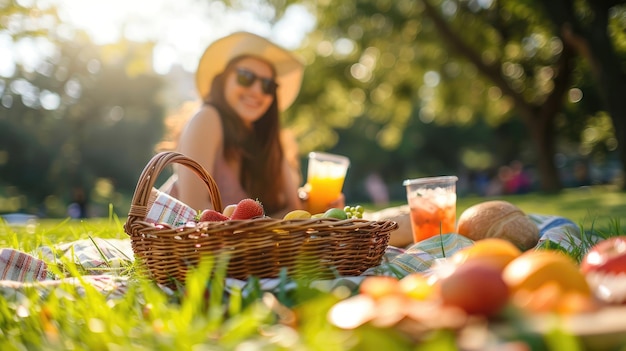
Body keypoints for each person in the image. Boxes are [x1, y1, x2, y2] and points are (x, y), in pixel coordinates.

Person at [158, 31, 342, 218]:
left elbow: (292, 214)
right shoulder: (207, 118)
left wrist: (320, 211)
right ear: (224, 80)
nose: (256, 91)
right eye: (245, 77)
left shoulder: (267, 140)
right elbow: (195, 211)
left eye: (267, 85)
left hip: (237, 246)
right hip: (184, 241)